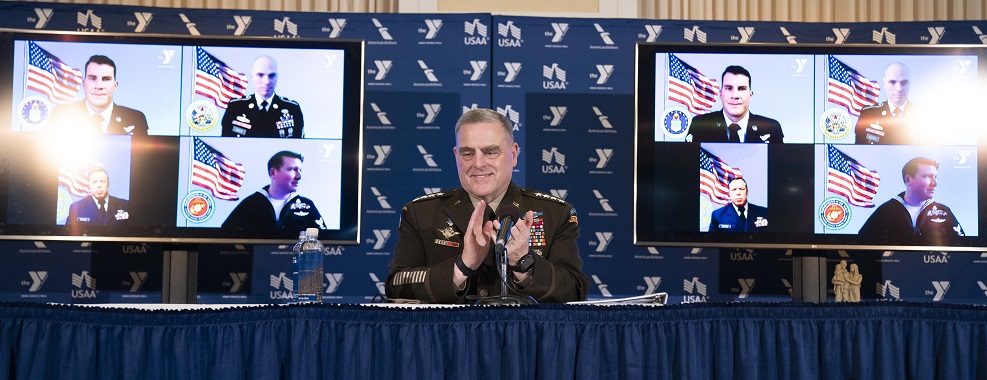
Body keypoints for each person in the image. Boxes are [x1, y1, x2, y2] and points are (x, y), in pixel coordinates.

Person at [386, 108, 589, 304]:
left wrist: (523, 263)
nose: (478, 163)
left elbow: (574, 291)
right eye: (467, 154)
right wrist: (462, 267)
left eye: (490, 152)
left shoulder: (556, 214)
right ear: (456, 155)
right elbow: (396, 286)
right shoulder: (421, 214)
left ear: (514, 154)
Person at [222, 151, 327, 237]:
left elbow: (325, 238)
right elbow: (226, 235)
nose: (299, 176)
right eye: (292, 170)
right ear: (273, 172)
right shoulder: (251, 204)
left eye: (300, 170)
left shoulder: (307, 205)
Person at [858, 157, 964, 241]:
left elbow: (963, 246)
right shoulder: (885, 212)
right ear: (908, 179)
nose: (935, 183)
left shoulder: (944, 212)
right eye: (927, 176)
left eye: (935, 177)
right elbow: (862, 245)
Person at [47, 55, 149, 135]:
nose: (98, 86)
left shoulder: (136, 119)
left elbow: (144, 159)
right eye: (92, 78)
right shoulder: (61, 115)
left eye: (106, 79)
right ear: (84, 84)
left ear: (115, 86)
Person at [688, 65, 783, 143]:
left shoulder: (771, 127)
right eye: (729, 88)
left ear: (750, 95)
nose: (735, 96)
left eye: (742, 89)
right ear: (721, 94)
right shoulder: (700, 125)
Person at [221, 56, 304, 138]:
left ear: (277, 77)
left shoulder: (292, 108)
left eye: (271, 75)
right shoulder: (236, 107)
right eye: (260, 75)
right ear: (252, 77)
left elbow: (299, 144)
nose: (266, 82)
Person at [855, 62, 916, 145]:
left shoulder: (924, 114)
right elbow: (860, 145)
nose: (898, 89)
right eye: (892, 82)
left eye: (904, 82)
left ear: (910, 84)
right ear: (884, 84)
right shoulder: (869, 114)